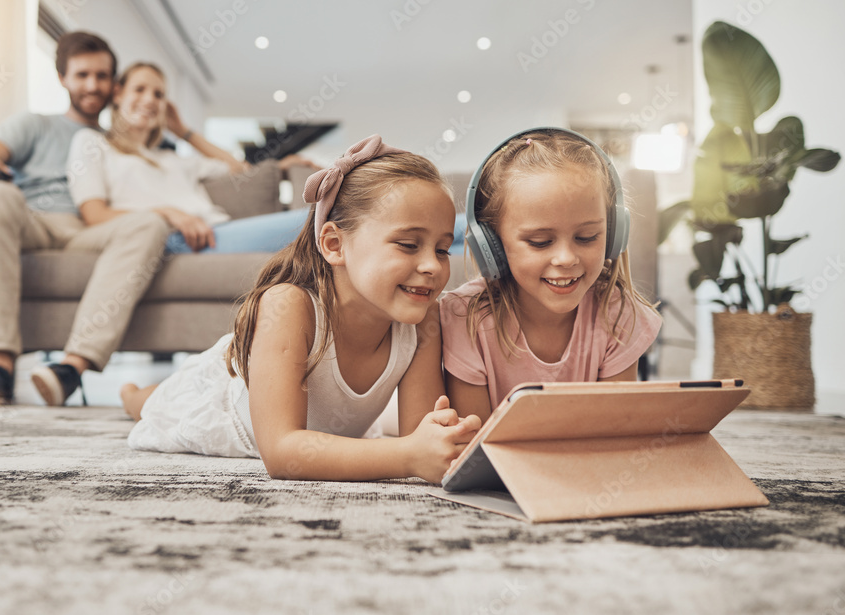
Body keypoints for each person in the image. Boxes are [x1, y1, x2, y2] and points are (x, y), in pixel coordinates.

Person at [121, 135, 482, 484]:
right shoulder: (288, 305)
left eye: (441, 249)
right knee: (155, 403)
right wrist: (405, 458)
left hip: (322, 428)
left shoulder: (423, 320)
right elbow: (282, 452)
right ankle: (130, 393)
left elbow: (419, 434)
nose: (433, 267)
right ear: (334, 244)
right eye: (408, 244)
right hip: (220, 401)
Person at [0, 31, 175, 407]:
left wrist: (180, 128)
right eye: (82, 75)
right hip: (30, 221)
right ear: (62, 78)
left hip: (89, 230)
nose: (92, 85)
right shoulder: (35, 125)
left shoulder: (117, 141)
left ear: (114, 85)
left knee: (151, 223)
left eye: (102, 76)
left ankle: (70, 369)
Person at [441, 128, 662, 425]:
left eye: (586, 237)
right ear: (491, 244)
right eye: (540, 242)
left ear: (613, 235)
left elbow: (613, 434)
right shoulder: (464, 318)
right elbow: (473, 448)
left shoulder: (618, 315)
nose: (566, 259)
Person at [68, 62, 317, 256]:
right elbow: (95, 215)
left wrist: (184, 132)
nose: (149, 100)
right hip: (177, 239)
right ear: (118, 94)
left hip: (216, 229)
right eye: (140, 89)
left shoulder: (173, 159)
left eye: (158, 94)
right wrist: (168, 214)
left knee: (321, 224)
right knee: (318, 220)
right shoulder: (92, 143)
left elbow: (239, 169)